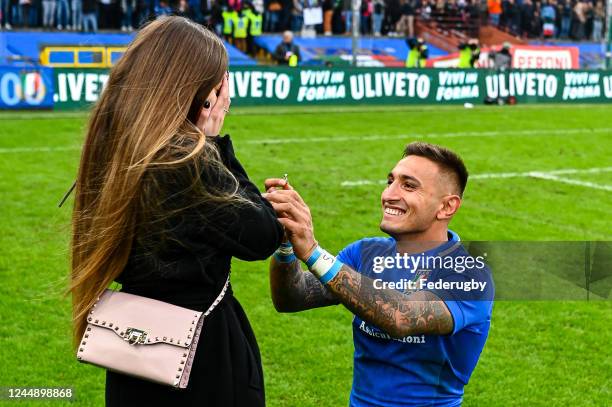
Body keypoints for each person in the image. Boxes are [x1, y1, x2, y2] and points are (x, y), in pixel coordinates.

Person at [69, 16, 284, 406]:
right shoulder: (184, 161)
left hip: (132, 352)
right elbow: (261, 236)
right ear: (199, 91)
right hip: (199, 355)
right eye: (219, 83)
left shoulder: (115, 146)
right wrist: (215, 142)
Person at [265, 142, 494, 406]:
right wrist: (286, 244)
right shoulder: (365, 253)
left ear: (447, 207)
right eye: (390, 181)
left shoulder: (469, 275)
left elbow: (401, 317)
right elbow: (292, 298)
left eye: (409, 185)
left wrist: (314, 253)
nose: (389, 194)